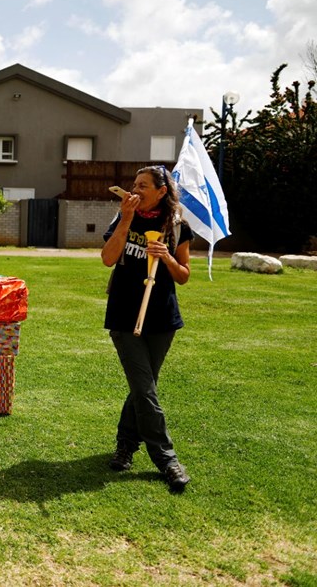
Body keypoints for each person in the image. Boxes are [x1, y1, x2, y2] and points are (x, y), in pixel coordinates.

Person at [100, 166, 193, 493]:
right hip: (125, 317)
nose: (134, 190)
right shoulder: (123, 217)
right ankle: (167, 459)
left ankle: (125, 444)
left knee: (143, 388)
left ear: (161, 191)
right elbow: (108, 258)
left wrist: (166, 257)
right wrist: (125, 220)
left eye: (143, 186)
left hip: (162, 318)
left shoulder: (177, 225)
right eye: (133, 185)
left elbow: (183, 275)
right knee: (144, 387)